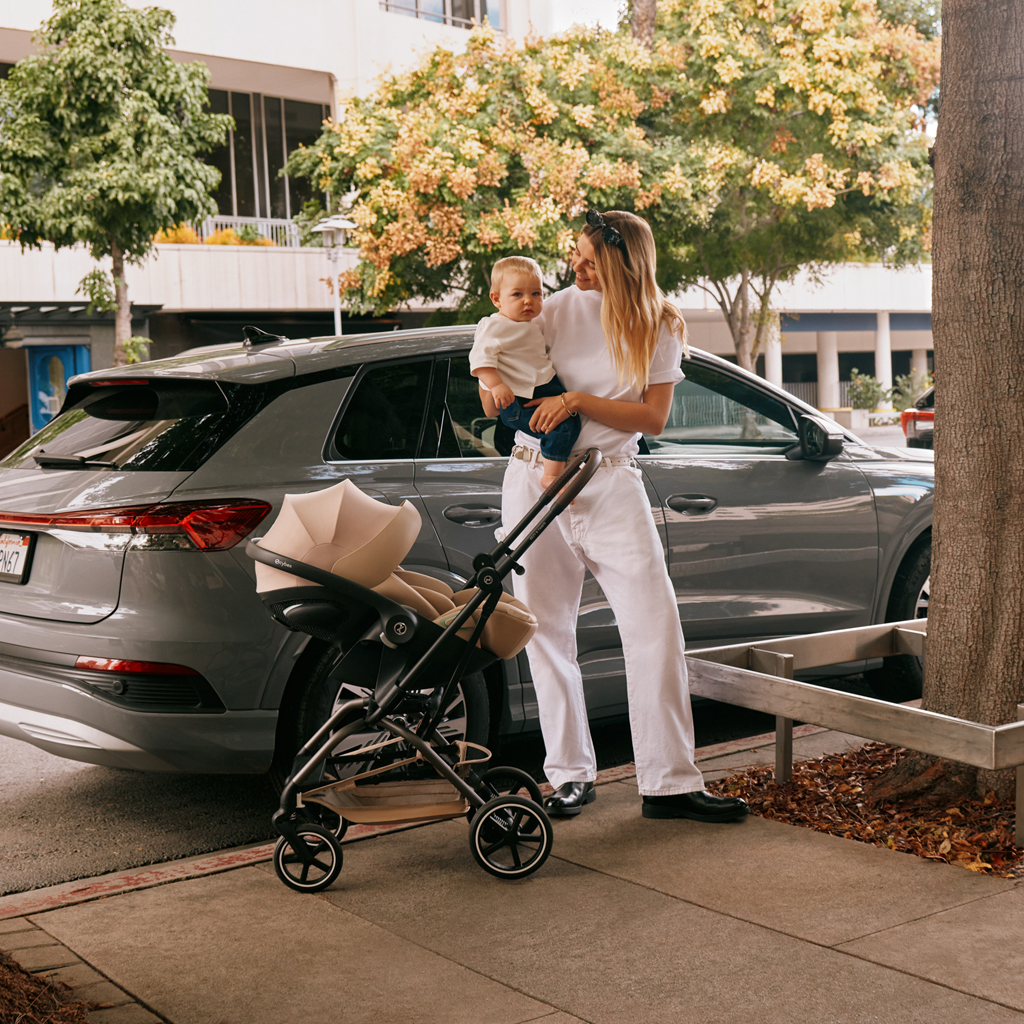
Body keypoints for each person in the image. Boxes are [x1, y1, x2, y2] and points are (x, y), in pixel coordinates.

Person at [482, 211, 749, 822]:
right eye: (574, 255)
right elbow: (493, 356)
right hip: (534, 478)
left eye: (590, 259)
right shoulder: (549, 310)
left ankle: (670, 782)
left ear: (626, 261)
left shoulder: (659, 323)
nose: (575, 268)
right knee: (545, 632)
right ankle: (569, 777)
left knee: (654, 627)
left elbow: (653, 419)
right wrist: (492, 387)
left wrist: (575, 400)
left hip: (609, 482)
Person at [470, 256, 581, 489]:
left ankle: (555, 471)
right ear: (496, 299)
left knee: (570, 421)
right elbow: (480, 361)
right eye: (517, 294)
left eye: (536, 294)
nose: (528, 301)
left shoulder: (530, 325)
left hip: (542, 389)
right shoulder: (494, 326)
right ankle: (552, 477)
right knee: (559, 427)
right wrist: (497, 385)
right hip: (519, 398)